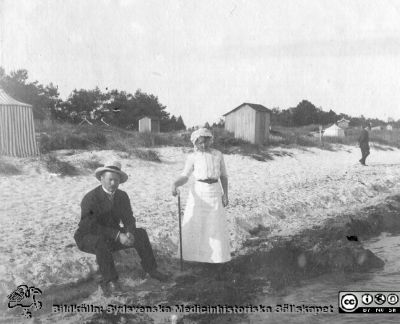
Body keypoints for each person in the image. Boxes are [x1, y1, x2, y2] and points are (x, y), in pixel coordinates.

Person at [74, 161, 168, 295]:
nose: (113, 183)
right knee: (100, 242)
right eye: (110, 180)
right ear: (101, 179)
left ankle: (151, 269)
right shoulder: (91, 198)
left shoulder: (122, 196)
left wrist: (129, 232)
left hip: (112, 235)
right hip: (88, 236)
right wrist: (118, 235)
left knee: (140, 234)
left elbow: (129, 218)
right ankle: (110, 281)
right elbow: (90, 226)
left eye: (116, 180)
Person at [171, 128, 230, 276]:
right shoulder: (192, 157)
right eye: (200, 143)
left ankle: (216, 260)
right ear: (195, 143)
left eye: (206, 141)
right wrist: (175, 184)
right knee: (197, 225)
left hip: (215, 191)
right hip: (199, 191)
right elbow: (185, 175)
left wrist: (225, 194)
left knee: (215, 225)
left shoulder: (218, 155)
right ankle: (195, 259)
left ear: (210, 140)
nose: (203, 145)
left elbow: (224, 176)